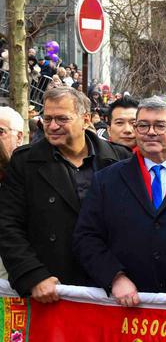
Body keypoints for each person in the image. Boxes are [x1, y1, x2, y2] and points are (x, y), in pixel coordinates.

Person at [73, 95, 166, 308]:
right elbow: (87, 237)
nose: (151, 132)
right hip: (126, 307)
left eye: (160, 125)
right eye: (143, 125)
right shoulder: (107, 180)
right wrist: (115, 277)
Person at [0, 87, 129, 299]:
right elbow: (8, 225)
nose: (52, 126)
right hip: (50, 288)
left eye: (61, 119)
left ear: (85, 119)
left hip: (112, 288)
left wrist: (120, 277)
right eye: (47, 118)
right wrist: (33, 274)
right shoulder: (25, 163)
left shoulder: (120, 159)